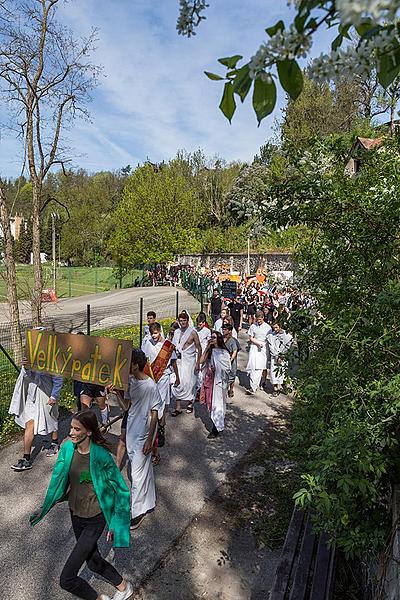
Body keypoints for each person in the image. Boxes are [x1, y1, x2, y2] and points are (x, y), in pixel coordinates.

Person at [30, 410, 132, 600]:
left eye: (77, 429)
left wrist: (118, 524)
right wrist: (45, 508)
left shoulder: (101, 456)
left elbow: (121, 490)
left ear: (89, 432)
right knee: (93, 561)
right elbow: (58, 483)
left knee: (66, 579)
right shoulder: (68, 449)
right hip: (75, 515)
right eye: (71, 428)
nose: (71, 432)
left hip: (95, 519)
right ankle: (124, 587)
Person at [110, 349, 162, 530]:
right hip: (131, 432)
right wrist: (116, 393)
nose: (125, 366)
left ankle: (136, 512)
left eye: (128, 363)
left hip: (143, 435)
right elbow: (126, 408)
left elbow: (155, 415)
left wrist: (150, 440)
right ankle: (148, 502)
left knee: (137, 475)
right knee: (143, 471)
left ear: (135, 364)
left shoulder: (150, 386)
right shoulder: (130, 382)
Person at [9, 361, 64, 470]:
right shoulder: (31, 356)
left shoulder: (52, 357)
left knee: (51, 417)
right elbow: (26, 376)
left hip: (47, 392)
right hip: (32, 394)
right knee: (29, 423)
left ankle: (54, 442)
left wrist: (54, 396)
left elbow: (58, 379)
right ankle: (26, 458)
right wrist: (25, 366)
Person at [142, 322, 180, 462]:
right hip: (151, 377)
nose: (154, 336)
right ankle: (151, 429)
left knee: (161, 404)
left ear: (160, 332)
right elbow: (145, 361)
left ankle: (161, 429)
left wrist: (177, 377)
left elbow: (174, 362)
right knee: (151, 405)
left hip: (163, 377)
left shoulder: (168, 346)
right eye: (152, 334)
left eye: (156, 333)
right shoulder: (148, 343)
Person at [199, 331, 231, 439]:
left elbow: (227, 367)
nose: (212, 339)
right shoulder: (210, 350)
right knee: (209, 404)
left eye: (214, 337)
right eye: (211, 337)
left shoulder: (224, 352)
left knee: (217, 404)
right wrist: (208, 347)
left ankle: (215, 428)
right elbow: (201, 360)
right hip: (209, 380)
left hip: (219, 381)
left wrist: (217, 368)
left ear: (218, 339)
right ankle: (214, 423)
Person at [171, 312, 202, 415]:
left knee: (190, 383)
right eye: (181, 321)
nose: (183, 322)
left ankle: (190, 403)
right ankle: (178, 407)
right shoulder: (176, 332)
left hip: (190, 361)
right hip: (179, 360)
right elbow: (173, 346)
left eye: (184, 320)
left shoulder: (193, 332)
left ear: (187, 321)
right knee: (177, 382)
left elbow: (199, 347)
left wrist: (198, 363)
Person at [246, 310, 272, 395]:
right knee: (254, 366)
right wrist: (257, 343)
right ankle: (253, 386)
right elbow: (251, 337)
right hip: (255, 346)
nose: (259, 321)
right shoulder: (253, 326)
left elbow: (270, 339)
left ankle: (263, 381)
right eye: (257, 319)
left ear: (263, 318)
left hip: (264, 347)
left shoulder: (268, 327)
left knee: (263, 366)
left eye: (260, 319)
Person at [267, 322, 294, 396]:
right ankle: (275, 389)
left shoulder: (286, 334)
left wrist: (282, 355)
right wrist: (276, 356)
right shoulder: (271, 336)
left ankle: (284, 386)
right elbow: (271, 347)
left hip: (283, 357)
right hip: (274, 357)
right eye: (274, 328)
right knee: (274, 373)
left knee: (283, 372)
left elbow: (288, 346)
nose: (275, 329)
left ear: (280, 326)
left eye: (276, 327)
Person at [221, 323, 240, 398]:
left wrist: (230, 360)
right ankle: (223, 391)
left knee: (231, 376)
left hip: (231, 361)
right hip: (222, 360)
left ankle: (231, 389)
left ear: (229, 331)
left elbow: (235, 351)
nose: (223, 330)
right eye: (223, 329)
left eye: (225, 329)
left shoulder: (233, 340)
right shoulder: (221, 339)